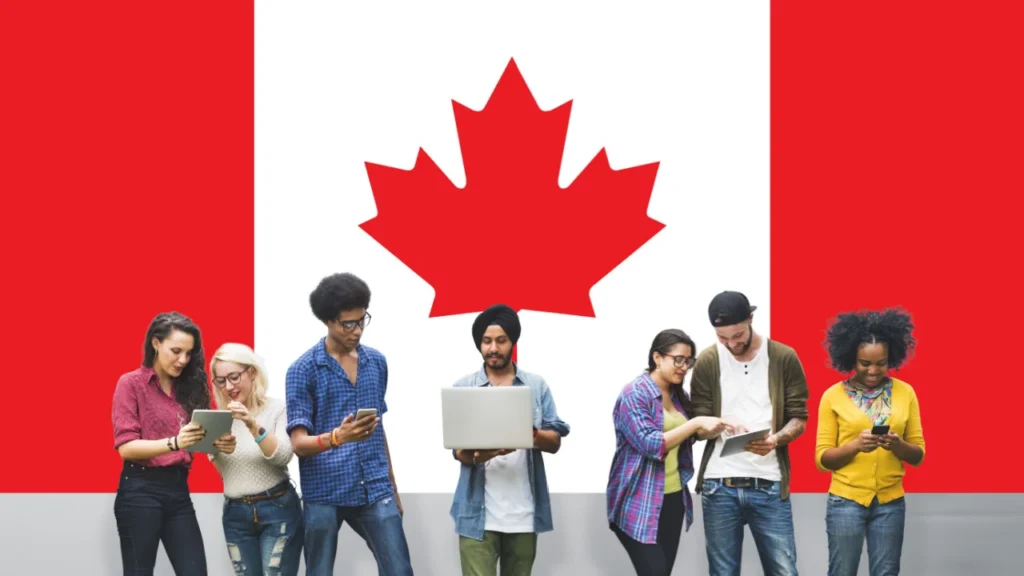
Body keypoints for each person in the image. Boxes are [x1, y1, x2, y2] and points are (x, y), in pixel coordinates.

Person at [285, 272, 413, 576]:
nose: (357, 330)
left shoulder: (376, 362)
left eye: (362, 320)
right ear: (328, 321)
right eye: (348, 324)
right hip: (324, 493)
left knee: (400, 571)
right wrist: (337, 437)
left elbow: (377, 430)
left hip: (374, 487)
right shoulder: (303, 369)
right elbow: (298, 444)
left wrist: (393, 488)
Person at [690, 291, 809, 576]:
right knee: (722, 572)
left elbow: (799, 417)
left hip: (769, 483)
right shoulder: (707, 360)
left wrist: (776, 440)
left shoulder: (783, 357)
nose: (732, 343)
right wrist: (721, 422)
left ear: (751, 319)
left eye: (738, 335)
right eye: (722, 337)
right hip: (719, 484)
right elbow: (698, 425)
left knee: (784, 571)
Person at [449, 304, 570, 576]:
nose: (493, 348)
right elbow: (458, 452)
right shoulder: (464, 387)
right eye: (486, 341)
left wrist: (529, 434)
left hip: (524, 514)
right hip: (476, 516)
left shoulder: (536, 385)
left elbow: (555, 442)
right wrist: (482, 455)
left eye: (501, 341)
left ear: (512, 342)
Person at [607, 329, 734, 576]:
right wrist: (696, 423)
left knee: (663, 572)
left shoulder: (678, 395)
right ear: (657, 357)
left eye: (688, 361)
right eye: (678, 360)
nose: (684, 367)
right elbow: (651, 444)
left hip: (673, 497)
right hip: (639, 499)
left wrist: (720, 425)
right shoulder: (634, 393)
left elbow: (688, 436)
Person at [112, 311, 229, 576]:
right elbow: (126, 448)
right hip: (140, 490)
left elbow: (198, 442)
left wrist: (219, 444)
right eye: (176, 351)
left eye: (188, 353)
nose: (183, 360)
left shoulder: (189, 388)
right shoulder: (131, 384)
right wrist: (175, 442)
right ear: (156, 343)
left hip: (178, 492)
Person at [815, 308, 925, 576]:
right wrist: (855, 446)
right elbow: (822, 460)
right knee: (842, 572)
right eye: (865, 363)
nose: (873, 370)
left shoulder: (906, 392)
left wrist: (897, 445)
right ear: (851, 358)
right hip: (845, 501)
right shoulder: (832, 396)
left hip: (890, 502)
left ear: (891, 358)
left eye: (881, 363)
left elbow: (918, 455)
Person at [208, 342, 303, 576]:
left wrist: (252, 425)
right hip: (235, 514)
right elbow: (225, 471)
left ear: (251, 372)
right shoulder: (218, 419)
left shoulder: (277, 409)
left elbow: (283, 456)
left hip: (277, 509)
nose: (228, 386)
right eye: (221, 381)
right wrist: (216, 449)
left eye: (234, 377)